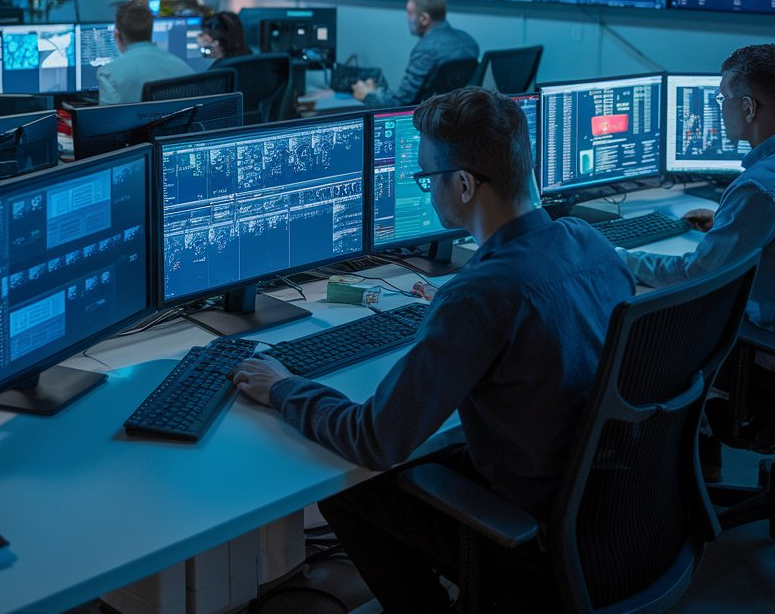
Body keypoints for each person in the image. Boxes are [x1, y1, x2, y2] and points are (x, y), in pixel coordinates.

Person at [231, 87, 633, 613]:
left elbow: (375, 439)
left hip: (527, 524)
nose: (426, 191)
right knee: (432, 448)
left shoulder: (481, 294)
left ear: (464, 184)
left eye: (426, 179)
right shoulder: (591, 242)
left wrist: (282, 386)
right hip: (608, 511)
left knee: (347, 483)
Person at [621, 44, 775, 468]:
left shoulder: (762, 188)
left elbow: (696, 275)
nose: (720, 108)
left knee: (639, 332)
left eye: (722, 99)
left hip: (772, 365)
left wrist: (621, 257)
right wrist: (728, 226)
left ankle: (663, 479)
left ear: (748, 108)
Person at [352, 0, 478, 107]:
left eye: (410, 13)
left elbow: (402, 101)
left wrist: (367, 95)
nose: (407, 19)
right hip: (458, 116)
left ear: (424, 19)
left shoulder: (426, 49)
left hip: (426, 120)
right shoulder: (469, 41)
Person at [96, 0, 193, 105]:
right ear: (150, 32)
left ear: (117, 35)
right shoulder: (185, 68)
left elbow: (110, 119)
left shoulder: (108, 74)